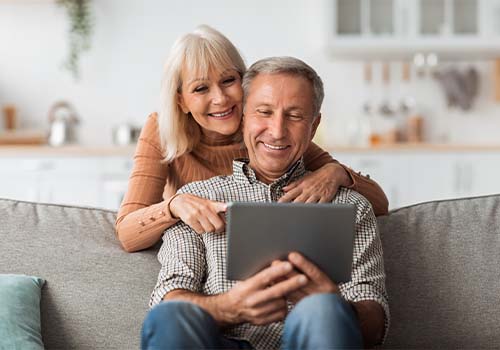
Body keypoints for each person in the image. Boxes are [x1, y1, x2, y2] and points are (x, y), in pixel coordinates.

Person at [142, 57, 389, 349]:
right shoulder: (198, 200)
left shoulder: (351, 206)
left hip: (310, 340)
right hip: (223, 342)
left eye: (295, 116)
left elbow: (374, 324)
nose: (277, 130)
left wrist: (334, 305)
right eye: (264, 112)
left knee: (321, 310)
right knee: (170, 316)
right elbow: (169, 296)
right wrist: (229, 307)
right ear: (243, 116)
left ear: (314, 125)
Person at [115, 25, 388, 253]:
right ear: (181, 100)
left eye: (228, 80)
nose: (220, 99)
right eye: (200, 88)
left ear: (244, 82)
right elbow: (127, 234)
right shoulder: (163, 129)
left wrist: (336, 173)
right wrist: (174, 205)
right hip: (195, 257)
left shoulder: (267, 133)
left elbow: (380, 204)